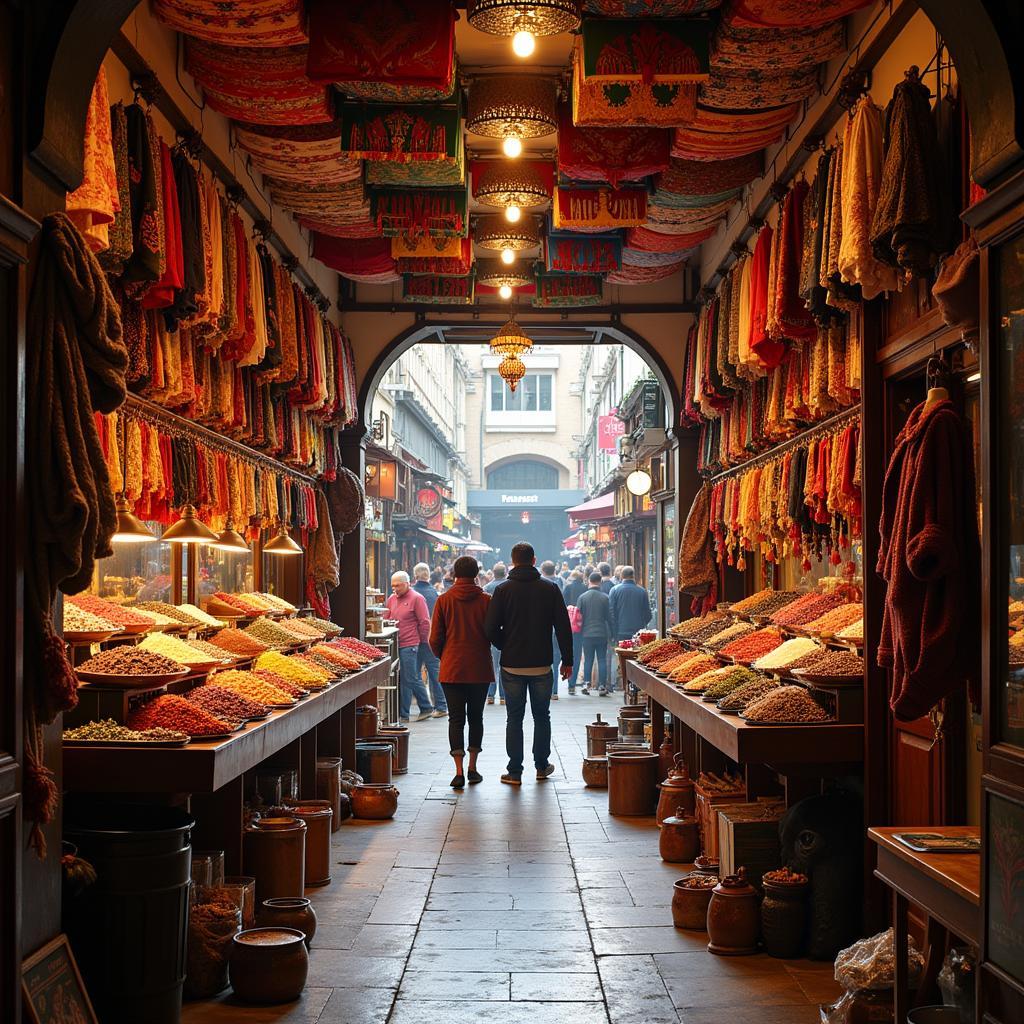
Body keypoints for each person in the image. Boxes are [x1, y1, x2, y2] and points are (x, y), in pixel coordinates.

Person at [484, 542, 572, 785]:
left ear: (513, 562)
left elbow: (490, 628)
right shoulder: (550, 588)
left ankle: (514, 771)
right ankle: (542, 766)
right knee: (542, 716)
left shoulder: (502, 591)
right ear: (534, 560)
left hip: (511, 665)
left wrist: (505, 645)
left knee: (514, 718)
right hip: (542, 664)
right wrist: (567, 659)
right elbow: (563, 626)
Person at [429, 556, 493, 790]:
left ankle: (458, 772)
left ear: (454, 574)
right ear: (476, 573)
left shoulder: (444, 600)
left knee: (455, 719)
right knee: (476, 717)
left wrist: (445, 656)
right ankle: (473, 768)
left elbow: (434, 638)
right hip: (479, 667)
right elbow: (494, 633)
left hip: (452, 668)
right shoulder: (487, 600)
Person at [386, 571, 435, 721]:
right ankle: (405, 713)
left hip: (410, 644)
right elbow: (387, 617)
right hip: (395, 643)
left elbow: (424, 622)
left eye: (398, 586)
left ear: (407, 583)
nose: (395, 589)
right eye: (393, 586)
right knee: (405, 678)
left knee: (410, 678)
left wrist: (421, 641)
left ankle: (422, 708)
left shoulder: (417, 598)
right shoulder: (391, 599)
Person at [609, 565, 653, 693]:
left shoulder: (614, 590)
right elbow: (648, 613)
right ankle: (636, 684)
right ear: (634, 575)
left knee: (620, 657)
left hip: (621, 631)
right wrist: (642, 625)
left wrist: (614, 629)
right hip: (638, 631)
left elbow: (611, 612)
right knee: (636, 657)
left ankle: (621, 682)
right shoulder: (642, 591)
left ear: (621, 576)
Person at [412, 563, 448, 718]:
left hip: (415, 639)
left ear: (415, 576)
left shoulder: (412, 593)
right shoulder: (434, 592)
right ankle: (440, 705)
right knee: (434, 672)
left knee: (414, 673)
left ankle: (425, 705)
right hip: (432, 638)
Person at [578, 571, 614, 696]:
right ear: (600, 582)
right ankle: (602, 686)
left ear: (589, 581)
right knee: (602, 659)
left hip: (586, 633)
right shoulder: (605, 597)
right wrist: (613, 633)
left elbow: (578, 617)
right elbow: (609, 617)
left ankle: (586, 684)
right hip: (601, 633)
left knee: (588, 660)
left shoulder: (582, 597)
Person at [539, 560, 565, 698]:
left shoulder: (539, 585)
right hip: (555, 630)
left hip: (543, 631)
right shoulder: (559, 584)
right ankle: (554, 691)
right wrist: (568, 660)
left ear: (542, 570)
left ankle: (547, 691)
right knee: (555, 660)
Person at [484, 563, 507, 705]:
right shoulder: (509, 586)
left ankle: (490, 695)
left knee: (493, 665)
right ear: (504, 573)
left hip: (492, 630)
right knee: (504, 665)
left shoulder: (487, 588)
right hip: (506, 630)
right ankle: (503, 696)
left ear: (493, 573)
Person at [561, 569, 587, 694]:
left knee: (567, 651)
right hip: (579, 627)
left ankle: (566, 678)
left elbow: (562, 605)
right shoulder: (585, 588)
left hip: (567, 626)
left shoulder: (567, 588)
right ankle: (572, 684)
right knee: (576, 655)